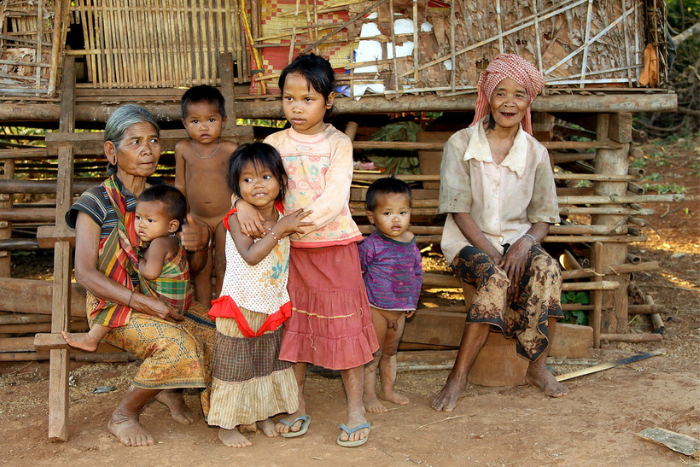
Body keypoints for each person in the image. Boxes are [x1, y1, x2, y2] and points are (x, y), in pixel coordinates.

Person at [236, 53, 379, 447]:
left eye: (308, 99)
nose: (297, 107)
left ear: (329, 100)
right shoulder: (273, 143)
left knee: (345, 325)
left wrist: (290, 225)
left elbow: (334, 198)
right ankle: (296, 405)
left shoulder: (338, 143)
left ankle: (355, 409)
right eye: (289, 98)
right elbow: (250, 180)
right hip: (288, 254)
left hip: (332, 248)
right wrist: (243, 203)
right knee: (293, 331)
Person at [66, 104, 216, 447]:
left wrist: (200, 247)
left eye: (152, 141)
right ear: (111, 151)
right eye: (135, 142)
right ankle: (123, 415)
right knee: (176, 344)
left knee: (220, 334)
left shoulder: (162, 201)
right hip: (112, 307)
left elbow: (186, 271)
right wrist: (142, 301)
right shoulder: (96, 202)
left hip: (162, 298)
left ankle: (199, 403)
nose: (147, 149)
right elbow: (85, 274)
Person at [431, 54, 570, 412]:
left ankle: (537, 368)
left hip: (516, 240)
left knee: (549, 270)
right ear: (488, 98)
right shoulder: (461, 144)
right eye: (501, 93)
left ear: (529, 102)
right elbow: (458, 210)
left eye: (519, 94)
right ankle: (458, 378)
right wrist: (492, 253)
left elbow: (544, 217)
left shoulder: (536, 153)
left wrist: (525, 242)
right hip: (467, 242)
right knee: (494, 278)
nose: (509, 102)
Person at [206, 142, 313, 448]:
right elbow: (251, 255)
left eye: (265, 177)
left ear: (281, 181)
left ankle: (261, 413)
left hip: (270, 303)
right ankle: (226, 425)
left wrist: (281, 224)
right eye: (247, 180)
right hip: (239, 304)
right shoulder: (239, 219)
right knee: (235, 366)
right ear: (237, 188)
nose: (258, 185)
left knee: (265, 363)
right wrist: (280, 228)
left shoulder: (281, 213)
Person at [62, 184, 193, 352]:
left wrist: (138, 260)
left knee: (122, 300)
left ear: (172, 226)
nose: (141, 225)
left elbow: (150, 273)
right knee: (126, 295)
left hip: (165, 303)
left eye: (150, 220)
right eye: (138, 218)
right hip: (180, 302)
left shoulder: (159, 244)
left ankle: (91, 337)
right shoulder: (173, 240)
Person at [358, 177, 423, 413]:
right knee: (373, 354)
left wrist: (412, 301)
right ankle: (369, 396)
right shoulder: (371, 246)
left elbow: (417, 273)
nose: (396, 219)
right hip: (376, 308)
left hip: (400, 310)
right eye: (387, 213)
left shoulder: (412, 245)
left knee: (390, 352)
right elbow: (358, 272)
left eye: (402, 212)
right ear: (371, 216)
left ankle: (388, 390)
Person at [175, 85, 239, 306]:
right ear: (185, 123)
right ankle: (203, 312)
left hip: (225, 217)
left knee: (223, 263)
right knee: (201, 266)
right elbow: (180, 185)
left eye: (211, 120)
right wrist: (185, 218)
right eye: (195, 121)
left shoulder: (230, 149)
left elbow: (238, 185)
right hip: (197, 218)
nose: (204, 127)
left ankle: (221, 311)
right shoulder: (183, 148)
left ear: (224, 120)